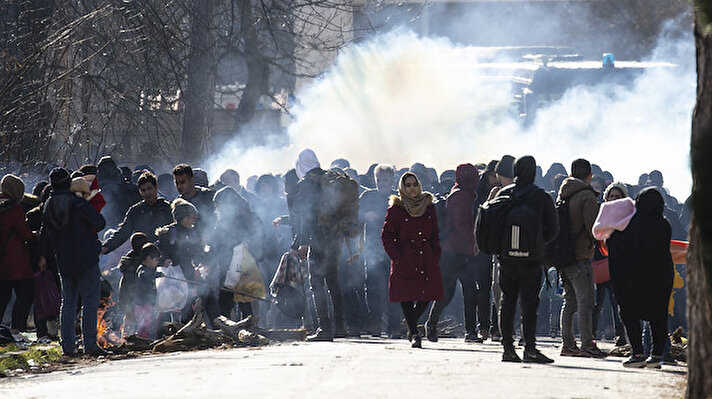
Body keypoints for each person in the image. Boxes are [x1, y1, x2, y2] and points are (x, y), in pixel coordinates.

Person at [495, 156, 557, 363]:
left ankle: (507, 349)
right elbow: (553, 229)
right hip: (532, 260)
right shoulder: (541, 197)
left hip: (506, 259)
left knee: (507, 303)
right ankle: (529, 348)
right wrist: (537, 244)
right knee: (529, 305)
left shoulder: (504, 194)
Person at [39, 168, 107, 356]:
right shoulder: (77, 203)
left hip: (63, 260)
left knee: (68, 303)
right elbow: (100, 222)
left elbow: (44, 234)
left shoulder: (48, 205)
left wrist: (43, 255)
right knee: (89, 302)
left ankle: (68, 346)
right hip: (86, 258)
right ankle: (90, 345)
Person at [607, 188, 674, 369]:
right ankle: (657, 355)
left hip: (635, 279)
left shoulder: (631, 224)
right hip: (661, 277)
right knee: (659, 316)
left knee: (628, 313)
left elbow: (616, 243)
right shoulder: (664, 224)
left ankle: (637, 354)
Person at [381, 172, 444, 348]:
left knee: (428, 293)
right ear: (402, 188)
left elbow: (435, 234)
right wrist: (398, 257)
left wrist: (435, 254)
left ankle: (411, 322)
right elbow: (387, 236)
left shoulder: (428, 206)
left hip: (426, 258)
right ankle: (416, 335)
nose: (412, 188)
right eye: (408, 185)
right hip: (405, 258)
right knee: (406, 296)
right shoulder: (396, 209)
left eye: (414, 184)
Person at [291, 149, 346, 341]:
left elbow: (306, 215)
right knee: (332, 281)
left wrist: (302, 243)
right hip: (336, 237)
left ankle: (324, 328)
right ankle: (340, 327)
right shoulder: (330, 178)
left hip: (318, 239)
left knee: (316, 283)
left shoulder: (307, 183)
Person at [557, 158, 607, 358]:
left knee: (569, 301)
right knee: (586, 302)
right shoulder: (586, 196)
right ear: (589, 176)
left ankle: (568, 343)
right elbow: (593, 229)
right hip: (580, 256)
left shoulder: (564, 193)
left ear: (571, 174)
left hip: (563, 255)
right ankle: (587, 343)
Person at [425, 164, 480, 343]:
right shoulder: (461, 197)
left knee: (469, 292)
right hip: (454, 252)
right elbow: (460, 224)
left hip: (460, 251)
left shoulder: (460, 193)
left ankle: (470, 331)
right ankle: (432, 324)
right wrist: (475, 240)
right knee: (450, 293)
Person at [360, 165, 401, 338]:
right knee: (373, 288)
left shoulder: (398, 199)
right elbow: (354, 215)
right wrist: (365, 216)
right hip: (372, 250)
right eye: (379, 180)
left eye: (385, 180)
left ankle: (394, 327)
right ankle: (375, 324)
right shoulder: (367, 196)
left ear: (392, 180)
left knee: (395, 289)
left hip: (395, 251)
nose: (382, 183)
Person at [101, 171, 173, 254]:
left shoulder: (168, 208)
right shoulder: (135, 211)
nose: (147, 193)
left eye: (149, 188)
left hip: (165, 255)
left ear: (156, 187)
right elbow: (123, 233)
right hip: (143, 256)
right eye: (143, 190)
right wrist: (106, 247)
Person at [592, 183, 627, 346]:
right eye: (611, 196)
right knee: (594, 303)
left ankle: (620, 334)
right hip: (597, 263)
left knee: (617, 302)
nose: (613, 199)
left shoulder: (627, 215)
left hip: (618, 265)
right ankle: (590, 334)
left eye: (617, 196)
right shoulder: (599, 212)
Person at [0, 174, 36, 332]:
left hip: (1, 262)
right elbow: (25, 233)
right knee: (26, 293)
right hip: (14, 259)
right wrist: (35, 235)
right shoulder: (14, 208)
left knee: (2, 296)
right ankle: (17, 327)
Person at [116, 232, 150, 336]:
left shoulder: (127, 259)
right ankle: (139, 337)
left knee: (129, 318)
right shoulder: (142, 262)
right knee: (140, 319)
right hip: (137, 297)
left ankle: (126, 337)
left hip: (126, 296)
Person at [172, 164, 215, 243]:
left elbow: (216, 220)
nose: (179, 186)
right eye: (177, 183)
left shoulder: (207, 196)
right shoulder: (177, 203)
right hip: (187, 245)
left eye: (182, 182)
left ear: (191, 180)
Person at [134, 243, 163, 339]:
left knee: (150, 326)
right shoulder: (142, 269)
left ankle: (148, 341)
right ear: (148, 258)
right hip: (143, 304)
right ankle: (143, 342)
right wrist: (156, 274)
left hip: (149, 304)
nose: (157, 263)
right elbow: (144, 275)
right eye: (156, 260)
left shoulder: (149, 270)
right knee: (144, 326)